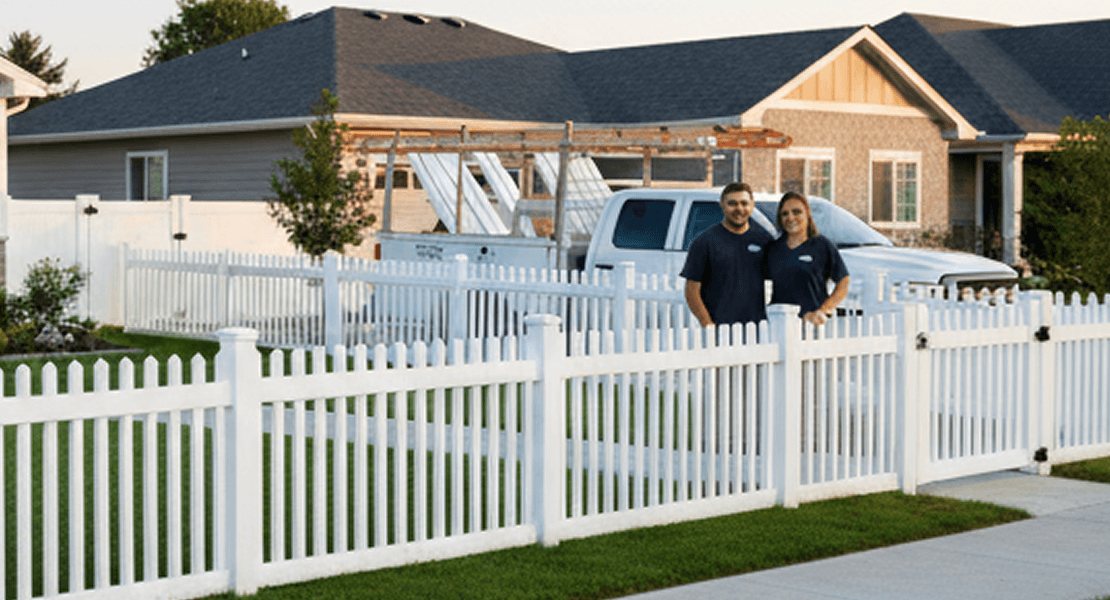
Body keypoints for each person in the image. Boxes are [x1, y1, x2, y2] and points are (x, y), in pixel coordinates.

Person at [681, 182, 774, 327]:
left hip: (755, 329)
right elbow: (691, 290)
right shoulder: (705, 242)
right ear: (722, 205)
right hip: (719, 328)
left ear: (752, 205)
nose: (739, 209)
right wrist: (707, 323)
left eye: (744, 203)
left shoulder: (764, 240)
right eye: (732, 203)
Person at [763, 191, 850, 327]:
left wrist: (824, 310)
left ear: (807, 214)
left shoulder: (822, 246)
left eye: (796, 212)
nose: (790, 217)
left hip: (812, 325)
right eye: (785, 213)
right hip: (780, 325)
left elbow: (843, 281)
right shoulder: (773, 249)